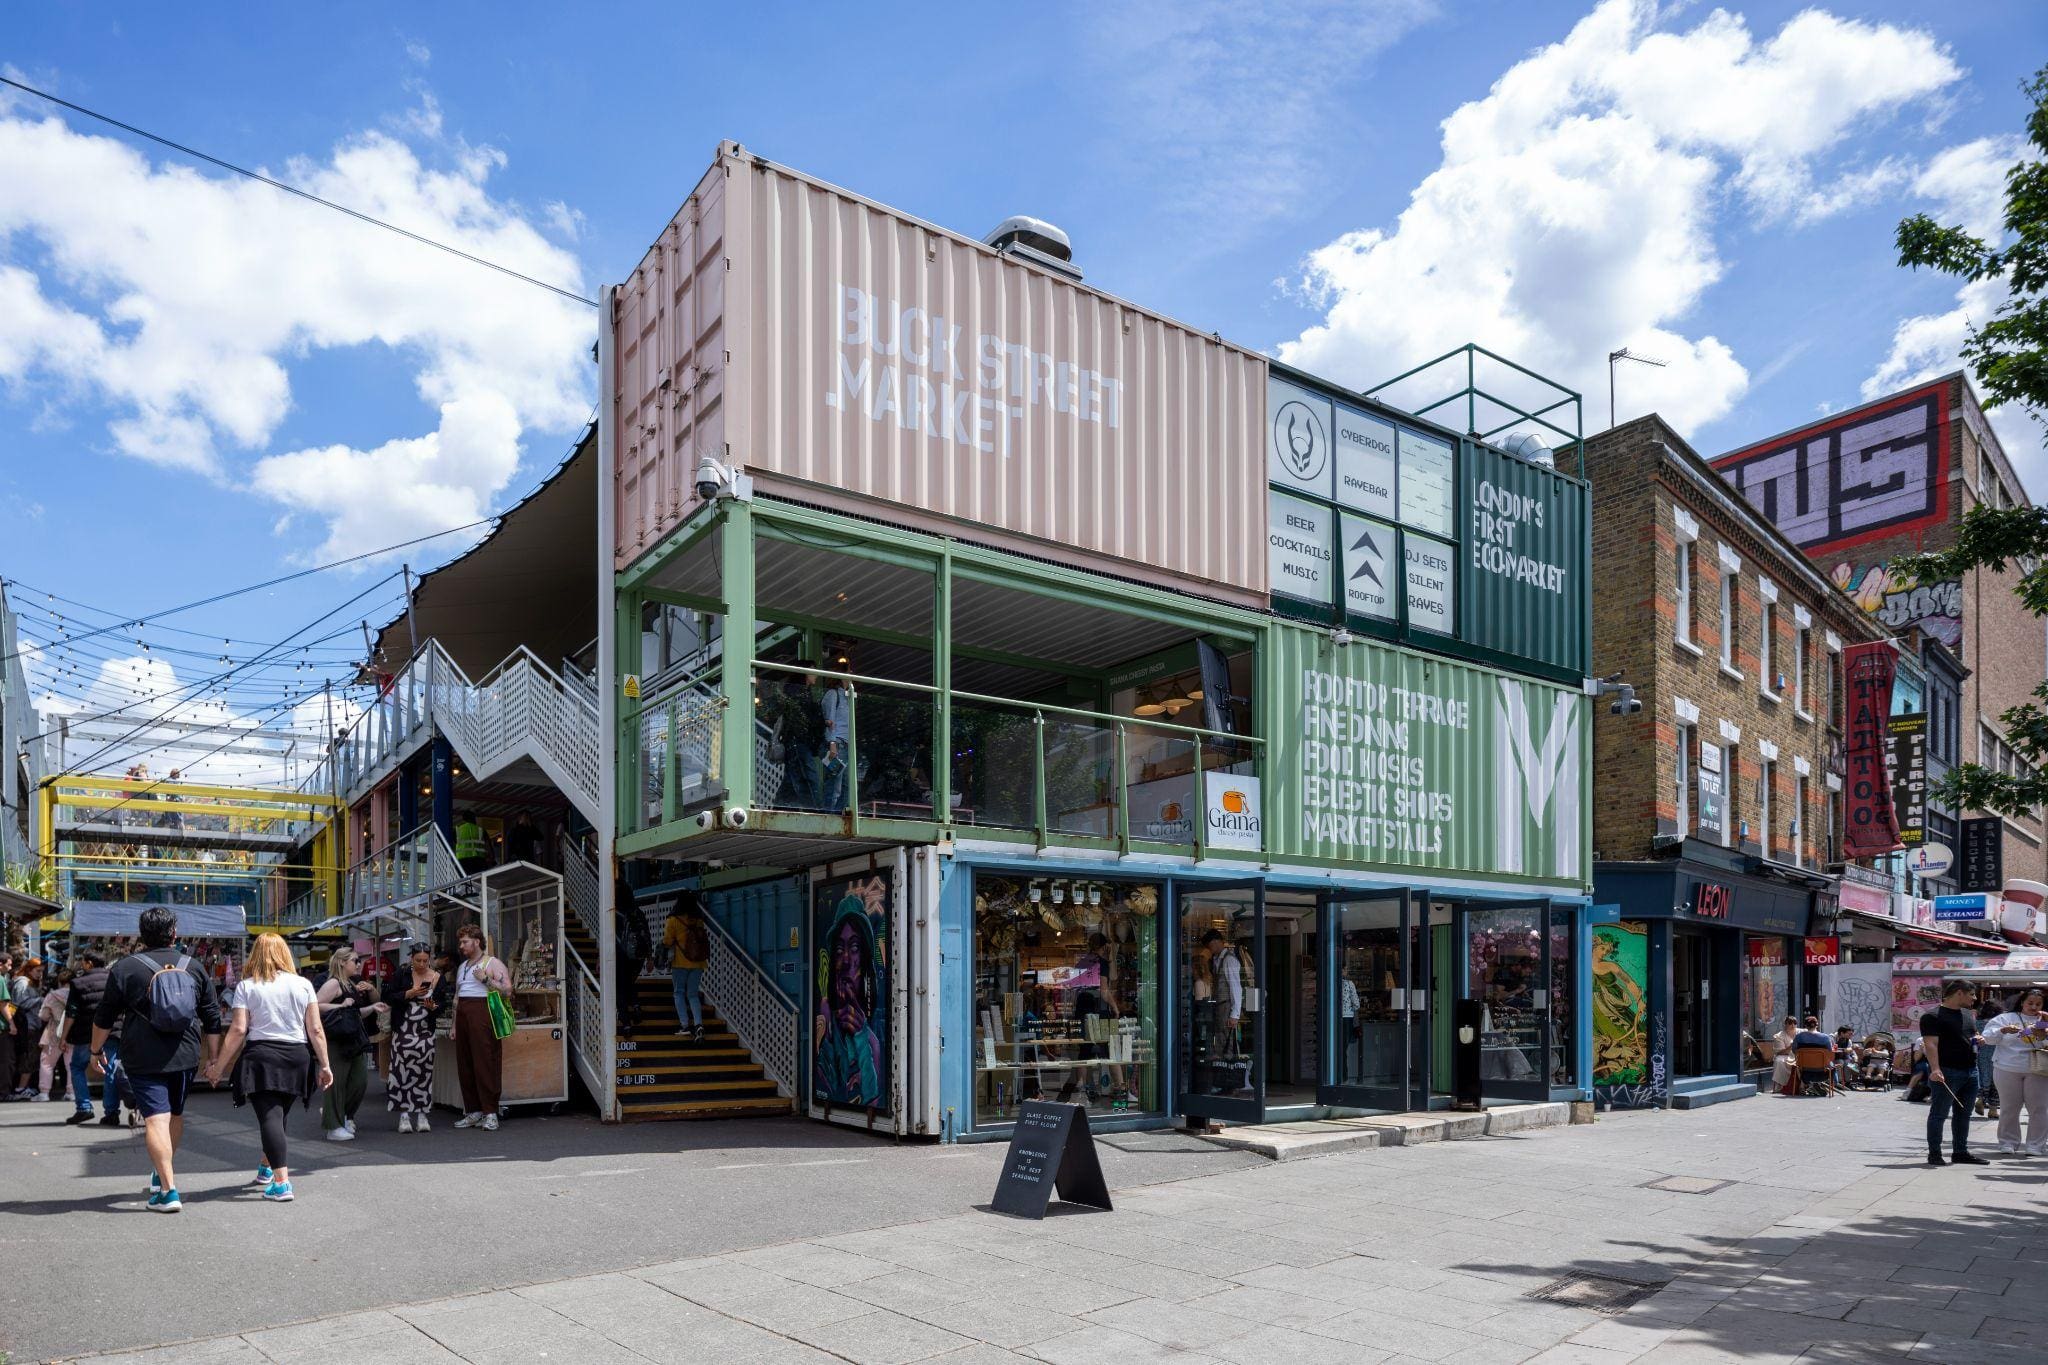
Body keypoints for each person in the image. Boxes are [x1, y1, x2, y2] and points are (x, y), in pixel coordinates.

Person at [91, 906, 225, 1212]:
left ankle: (168, 1190)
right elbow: (212, 1016)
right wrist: (214, 1057)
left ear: (142, 935)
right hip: (186, 1053)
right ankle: (162, 1172)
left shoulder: (125, 968)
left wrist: (96, 1052)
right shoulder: (194, 966)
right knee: (174, 1116)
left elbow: (105, 1016)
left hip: (143, 1053)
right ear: (174, 933)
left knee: (155, 1118)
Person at [201, 933, 329, 1202]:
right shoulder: (303, 984)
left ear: (255, 955)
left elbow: (238, 1030)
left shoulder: (247, 986)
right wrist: (325, 1065)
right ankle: (266, 1168)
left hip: (262, 1056)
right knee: (277, 1114)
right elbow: (315, 1029)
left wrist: (218, 1067)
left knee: (270, 1116)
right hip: (297, 1055)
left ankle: (282, 1184)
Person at [315, 948, 386, 1141]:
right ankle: (333, 1125)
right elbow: (315, 1005)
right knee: (336, 1082)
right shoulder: (333, 983)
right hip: (337, 1039)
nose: (358, 964)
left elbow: (353, 1012)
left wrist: (372, 1007)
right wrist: (340, 1005)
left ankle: (342, 1116)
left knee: (359, 1081)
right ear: (342, 963)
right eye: (355, 960)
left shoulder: (350, 983)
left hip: (353, 1038)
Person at [1921, 979, 1989, 1167]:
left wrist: (1979, 1039)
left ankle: (1960, 1151)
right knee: (1939, 1114)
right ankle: (1935, 1153)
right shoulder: (1932, 1016)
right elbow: (1931, 1044)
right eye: (1972, 994)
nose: (1974, 998)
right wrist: (1935, 1069)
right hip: (1946, 1071)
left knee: (1964, 1114)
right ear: (1959, 993)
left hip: (1970, 1070)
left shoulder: (1968, 1014)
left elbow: (1971, 1035)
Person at [450, 923, 511, 1130]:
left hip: (483, 1011)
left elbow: (507, 991)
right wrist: (453, 1025)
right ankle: (473, 1110)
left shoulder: (492, 963)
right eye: (461, 942)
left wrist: (485, 979)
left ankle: (490, 1112)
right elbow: (457, 998)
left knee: (486, 1061)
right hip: (464, 1013)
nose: (461, 946)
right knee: (465, 1063)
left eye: (465, 941)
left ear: (477, 941)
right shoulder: (462, 966)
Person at [382, 944, 448, 1132]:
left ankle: (422, 1113)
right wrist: (408, 993)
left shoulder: (437, 978)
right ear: (411, 958)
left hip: (425, 1031)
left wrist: (433, 1006)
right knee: (400, 1072)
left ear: (430, 959)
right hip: (403, 1029)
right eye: (417, 960)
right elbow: (387, 996)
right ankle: (404, 1115)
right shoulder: (401, 975)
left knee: (424, 1072)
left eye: (425, 961)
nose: (421, 964)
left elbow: (443, 1003)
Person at [1979, 988, 2048, 1156]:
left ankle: (2035, 1145)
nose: (2033, 1007)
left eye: (2038, 1004)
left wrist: (2043, 1034)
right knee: (2009, 1107)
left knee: (2039, 1108)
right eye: (2030, 1003)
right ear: (2022, 1002)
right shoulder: (2005, 1018)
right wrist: (2002, 1030)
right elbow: (1987, 1038)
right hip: (2007, 1067)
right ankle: (2007, 1142)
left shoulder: (2045, 1019)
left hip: (2038, 1068)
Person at [63, 952, 112, 1125]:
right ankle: (111, 1112)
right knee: (110, 1070)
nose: (81, 965)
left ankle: (84, 1107)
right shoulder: (113, 978)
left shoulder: (78, 983)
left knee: (77, 1067)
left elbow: (71, 1012)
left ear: (89, 963)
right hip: (111, 1031)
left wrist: (64, 1037)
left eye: (82, 962)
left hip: (86, 1034)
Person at [664, 896, 710, 1040]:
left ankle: (685, 1025)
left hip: (680, 962)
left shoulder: (673, 920)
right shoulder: (699, 920)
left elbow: (667, 941)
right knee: (693, 995)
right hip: (698, 963)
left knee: (678, 993)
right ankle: (698, 1024)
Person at [614, 871, 651, 1036]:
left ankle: (626, 1023)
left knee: (620, 988)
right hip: (638, 956)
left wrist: (601, 958)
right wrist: (649, 957)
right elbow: (647, 935)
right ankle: (636, 1006)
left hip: (620, 954)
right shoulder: (638, 912)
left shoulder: (614, 913)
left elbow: (608, 937)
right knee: (629, 982)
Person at [10, 957, 45, 1098]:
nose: (40, 974)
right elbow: (19, 1002)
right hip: (27, 1025)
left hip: (31, 1024)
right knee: (29, 1057)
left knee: (31, 1056)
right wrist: (40, 999)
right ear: (29, 969)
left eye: (42, 971)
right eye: (38, 971)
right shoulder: (23, 983)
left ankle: (24, 1087)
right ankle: (21, 1088)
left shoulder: (29, 983)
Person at [36, 967, 71, 1103]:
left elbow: (43, 1016)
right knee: (71, 1064)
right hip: (71, 1033)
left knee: (47, 1063)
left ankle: (44, 1093)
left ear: (60, 981)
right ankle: (71, 1092)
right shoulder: (77, 994)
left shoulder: (52, 996)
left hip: (53, 1033)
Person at [819, 674, 852, 811]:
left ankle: (838, 814)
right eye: (849, 673)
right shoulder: (833, 694)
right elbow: (830, 719)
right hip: (836, 744)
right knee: (834, 782)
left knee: (846, 784)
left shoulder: (847, 697)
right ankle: (829, 813)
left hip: (845, 745)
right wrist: (832, 742)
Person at [1770, 1016, 1800, 1094]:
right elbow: (1779, 1052)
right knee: (1779, 1061)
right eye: (1790, 1023)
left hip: (1799, 1055)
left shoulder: (1801, 1032)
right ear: (1785, 1024)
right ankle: (1781, 1085)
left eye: (1795, 1023)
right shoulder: (1779, 1036)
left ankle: (1803, 1085)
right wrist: (1791, 1047)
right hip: (1785, 1055)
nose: (1793, 1025)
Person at [454, 811, 489, 876]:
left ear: (464, 819)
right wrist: (490, 858)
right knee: (478, 880)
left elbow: (453, 845)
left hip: (463, 861)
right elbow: (488, 846)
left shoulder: (457, 830)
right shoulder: (480, 830)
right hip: (478, 860)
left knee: (463, 881)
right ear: (473, 818)